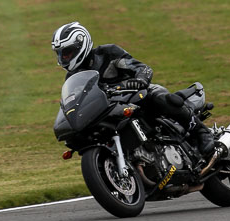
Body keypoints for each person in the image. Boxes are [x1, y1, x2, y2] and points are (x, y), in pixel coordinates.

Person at [51, 21, 215, 158]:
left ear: (81, 44)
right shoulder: (73, 77)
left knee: (159, 98)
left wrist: (139, 80)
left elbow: (142, 68)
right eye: (60, 54)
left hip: (136, 95)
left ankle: (201, 131)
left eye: (67, 53)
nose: (64, 58)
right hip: (111, 110)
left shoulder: (108, 53)